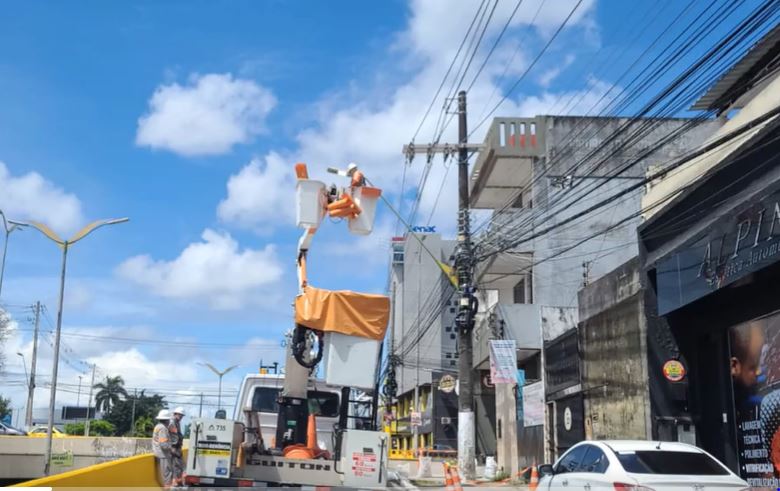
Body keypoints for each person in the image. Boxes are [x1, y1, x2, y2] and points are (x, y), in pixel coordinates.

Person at [153, 409, 174, 490]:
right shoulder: (163, 429)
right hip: (163, 455)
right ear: (166, 420)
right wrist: (171, 448)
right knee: (167, 475)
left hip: (159, 454)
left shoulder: (157, 426)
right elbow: (164, 444)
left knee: (165, 475)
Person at [170, 407, 186, 487]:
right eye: (180, 415)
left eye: (182, 416)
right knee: (175, 465)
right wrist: (174, 448)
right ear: (176, 414)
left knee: (179, 465)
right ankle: (175, 482)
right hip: (174, 447)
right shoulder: (172, 422)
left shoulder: (177, 422)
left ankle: (178, 482)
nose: (181, 417)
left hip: (177, 447)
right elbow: (174, 436)